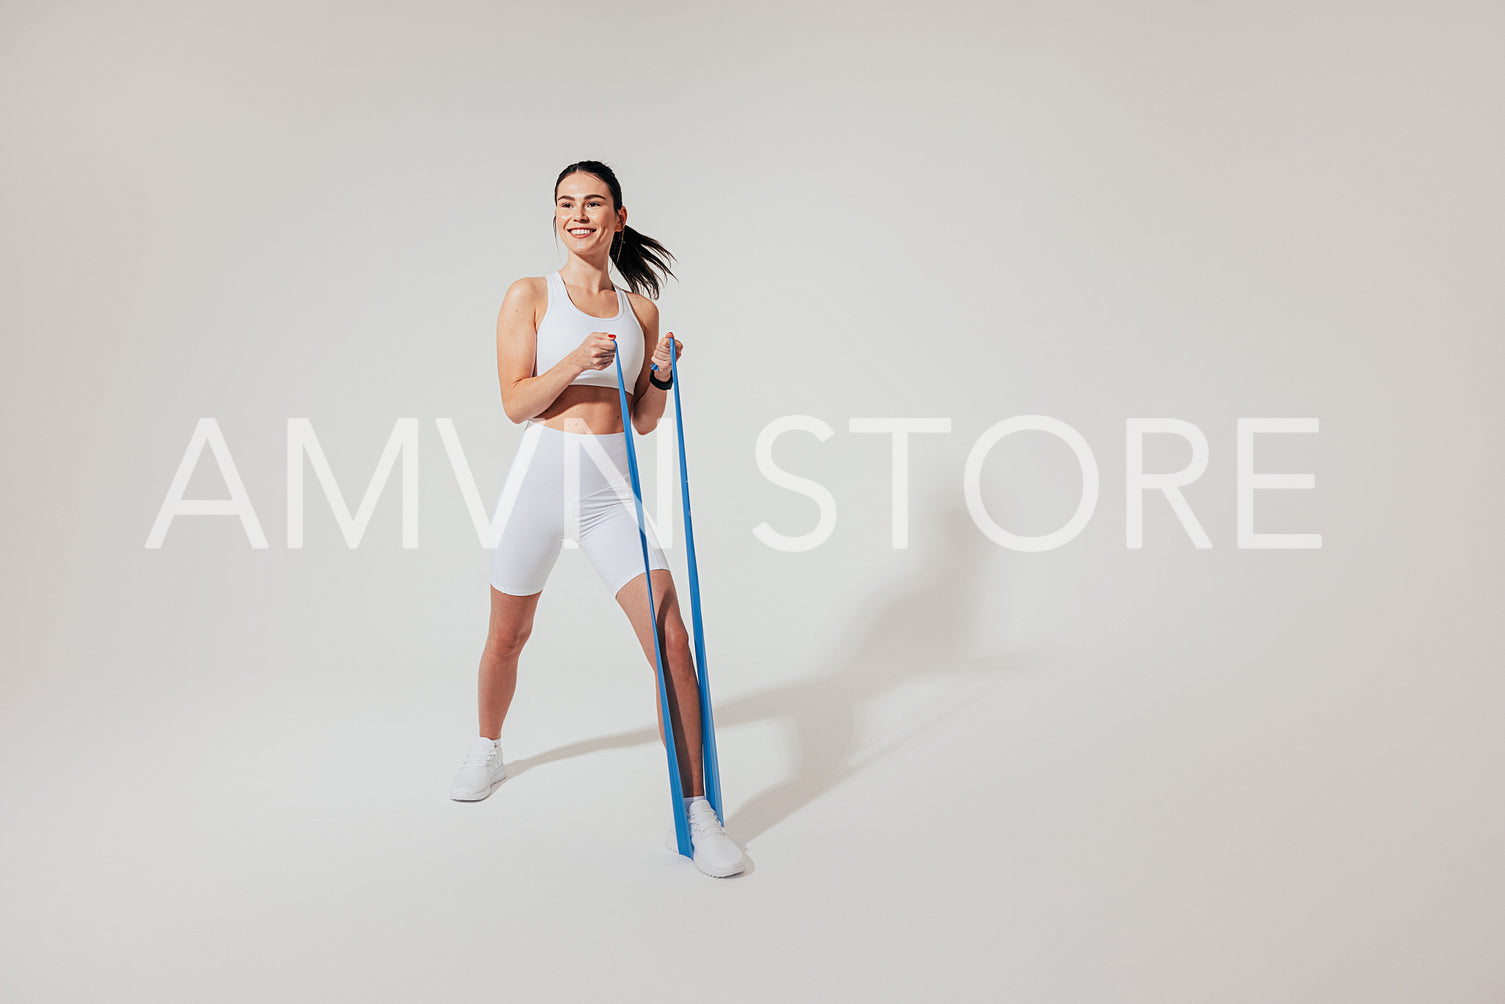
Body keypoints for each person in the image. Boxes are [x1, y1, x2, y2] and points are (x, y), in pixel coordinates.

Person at [448, 160, 747, 879]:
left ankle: (697, 808)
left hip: (613, 489)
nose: (577, 214)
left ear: (617, 216)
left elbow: (643, 421)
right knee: (508, 636)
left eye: (592, 203)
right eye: (565, 203)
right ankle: (487, 746)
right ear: (555, 216)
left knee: (674, 640)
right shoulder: (530, 295)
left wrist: (663, 378)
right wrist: (577, 359)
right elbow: (515, 402)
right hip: (539, 482)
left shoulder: (640, 310)